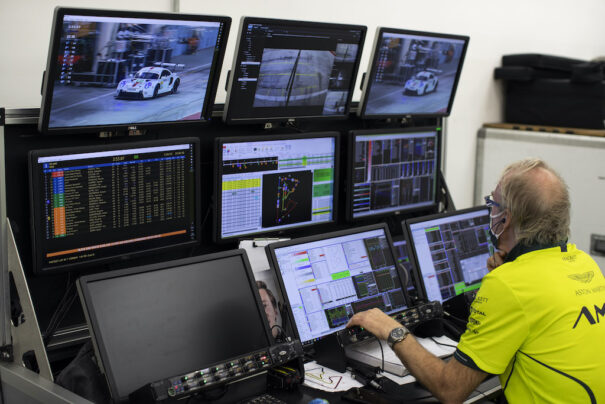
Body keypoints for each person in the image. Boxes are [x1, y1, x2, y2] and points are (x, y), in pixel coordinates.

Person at [347, 158, 605, 403]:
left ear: (508, 218)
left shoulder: (509, 284)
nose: (491, 210)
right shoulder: (585, 263)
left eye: (494, 204)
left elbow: (451, 390)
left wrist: (393, 330)